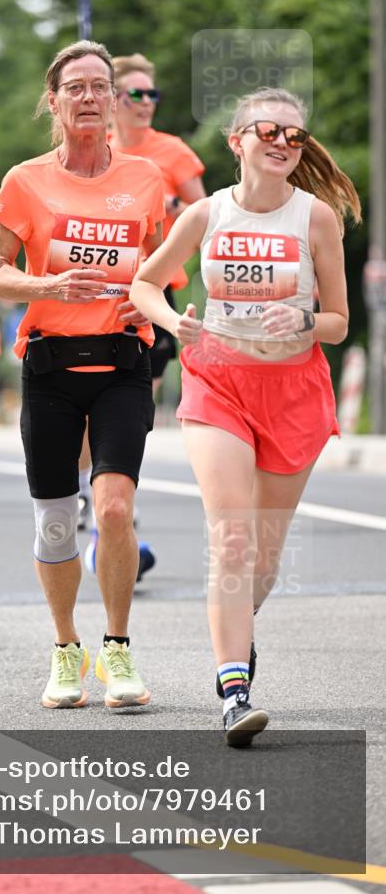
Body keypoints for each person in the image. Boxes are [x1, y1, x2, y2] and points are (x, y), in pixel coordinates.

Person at [130, 87, 361, 745]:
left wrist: (306, 319)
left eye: (295, 135)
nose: (284, 143)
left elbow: (340, 323)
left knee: (260, 556)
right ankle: (233, 690)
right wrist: (175, 321)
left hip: (292, 391)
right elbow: (145, 282)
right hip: (218, 383)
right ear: (237, 142)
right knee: (230, 536)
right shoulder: (206, 214)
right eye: (270, 131)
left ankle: (238, 626)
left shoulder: (315, 219)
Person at [0, 40, 164, 710]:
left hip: (121, 362)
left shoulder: (145, 179)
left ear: (114, 100)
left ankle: (116, 649)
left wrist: (158, 305)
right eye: (75, 87)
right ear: (53, 102)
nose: (89, 96)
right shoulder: (24, 181)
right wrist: (48, 285)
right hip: (50, 368)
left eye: (99, 85)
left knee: (114, 508)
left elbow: (156, 264)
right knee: (56, 523)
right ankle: (66, 650)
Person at [76, 52, 206, 531]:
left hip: (153, 293)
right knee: (89, 408)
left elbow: (209, 215)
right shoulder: (92, 147)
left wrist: (172, 205)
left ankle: (118, 496)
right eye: (136, 93)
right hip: (99, 290)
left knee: (133, 408)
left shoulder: (172, 152)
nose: (146, 102)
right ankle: (86, 486)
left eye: (153, 94)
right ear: (114, 100)